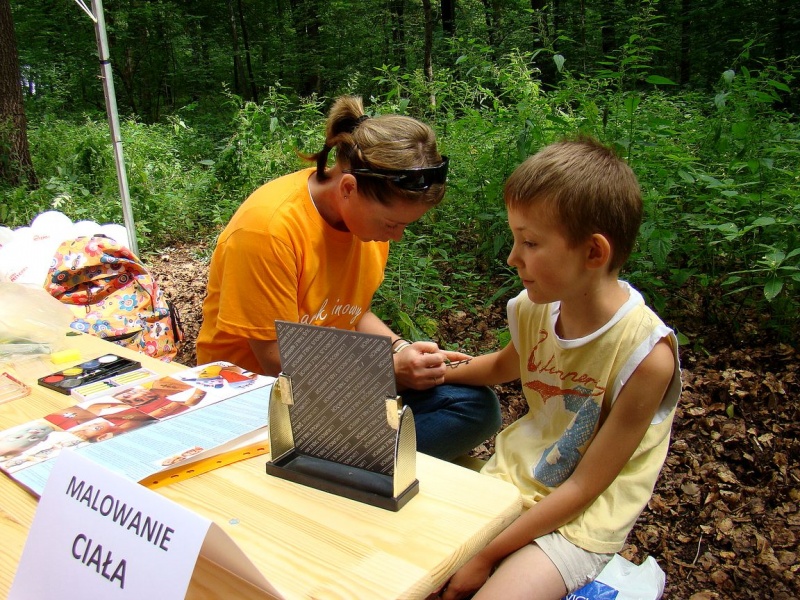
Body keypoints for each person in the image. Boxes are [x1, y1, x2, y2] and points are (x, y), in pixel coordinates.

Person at [438, 137, 682, 599]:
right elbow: (504, 366)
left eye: (530, 242)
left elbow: (587, 487)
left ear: (594, 253)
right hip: (513, 478)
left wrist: (486, 555)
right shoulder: (534, 309)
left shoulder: (646, 357)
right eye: (515, 238)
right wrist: (441, 371)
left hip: (581, 519)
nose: (513, 258)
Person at [196, 95, 501, 461]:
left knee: (474, 406)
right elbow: (275, 360)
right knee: (441, 419)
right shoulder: (268, 231)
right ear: (348, 188)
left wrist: (401, 349)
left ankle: (355, 460)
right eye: (393, 224)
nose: (397, 236)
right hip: (253, 393)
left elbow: (351, 312)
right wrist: (387, 370)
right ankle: (352, 465)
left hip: (329, 380)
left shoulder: (366, 226)